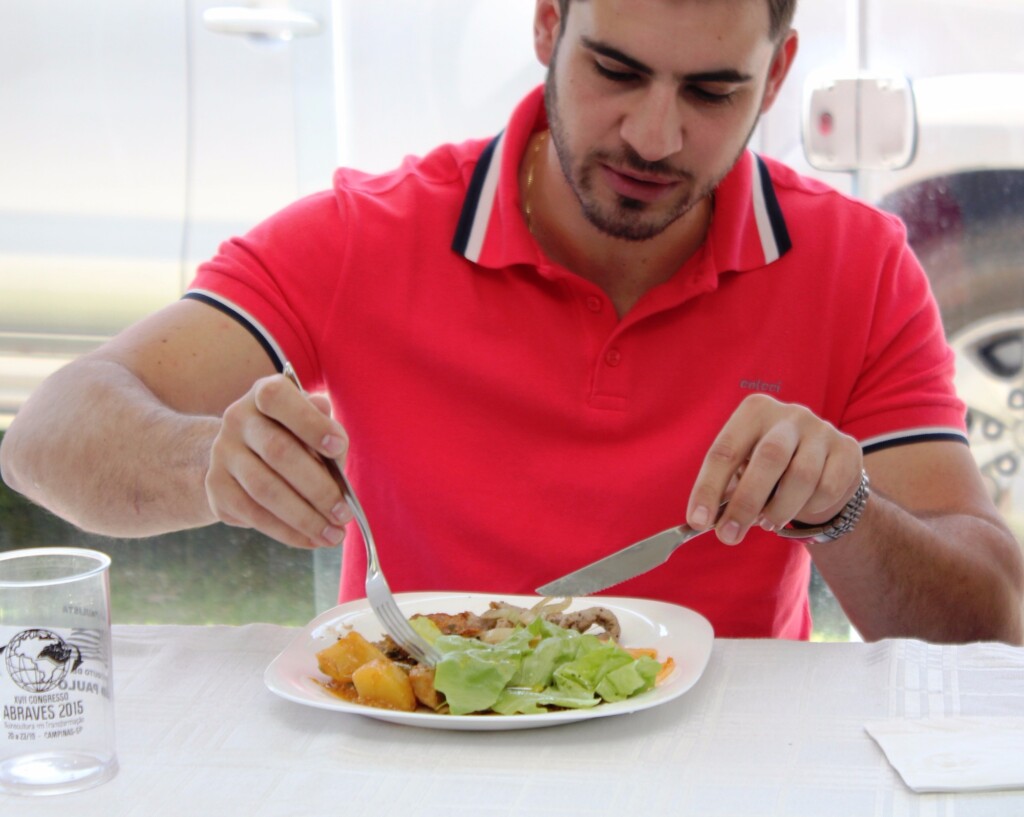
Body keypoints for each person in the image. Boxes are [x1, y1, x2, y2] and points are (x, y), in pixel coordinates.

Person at [1, 0, 1021, 643]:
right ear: (545, 27)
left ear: (780, 73)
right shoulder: (373, 234)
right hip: (423, 751)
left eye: (713, 91)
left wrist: (846, 510)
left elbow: (991, 623)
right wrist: (205, 464)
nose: (655, 135)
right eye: (615, 71)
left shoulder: (852, 261)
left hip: (721, 768)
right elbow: (45, 438)